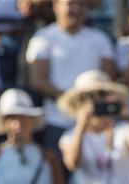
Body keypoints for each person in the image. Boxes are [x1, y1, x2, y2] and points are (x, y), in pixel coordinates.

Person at [25, 0, 116, 155]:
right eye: (69, 3)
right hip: (57, 121)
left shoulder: (100, 39)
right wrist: (72, 102)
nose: (75, 8)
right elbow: (37, 80)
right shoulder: (43, 37)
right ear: (55, 7)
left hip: (95, 126)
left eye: (81, 4)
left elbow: (109, 79)